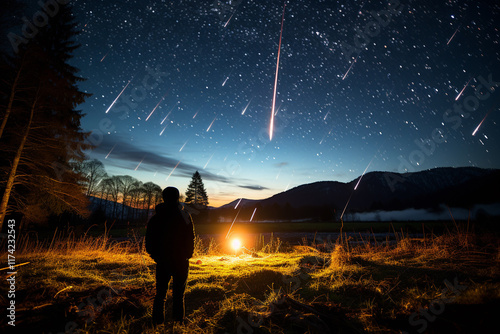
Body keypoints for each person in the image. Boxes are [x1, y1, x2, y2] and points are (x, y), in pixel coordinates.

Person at [145, 186, 195, 325]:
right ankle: (178, 323)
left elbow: (149, 240)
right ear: (177, 198)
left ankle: (156, 323)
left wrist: (155, 256)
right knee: (179, 295)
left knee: (160, 294)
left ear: (163, 198)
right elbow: (190, 238)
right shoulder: (185, 216)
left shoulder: (156, 218)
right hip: (180, 261)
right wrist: (187, 255)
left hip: (163, 262)